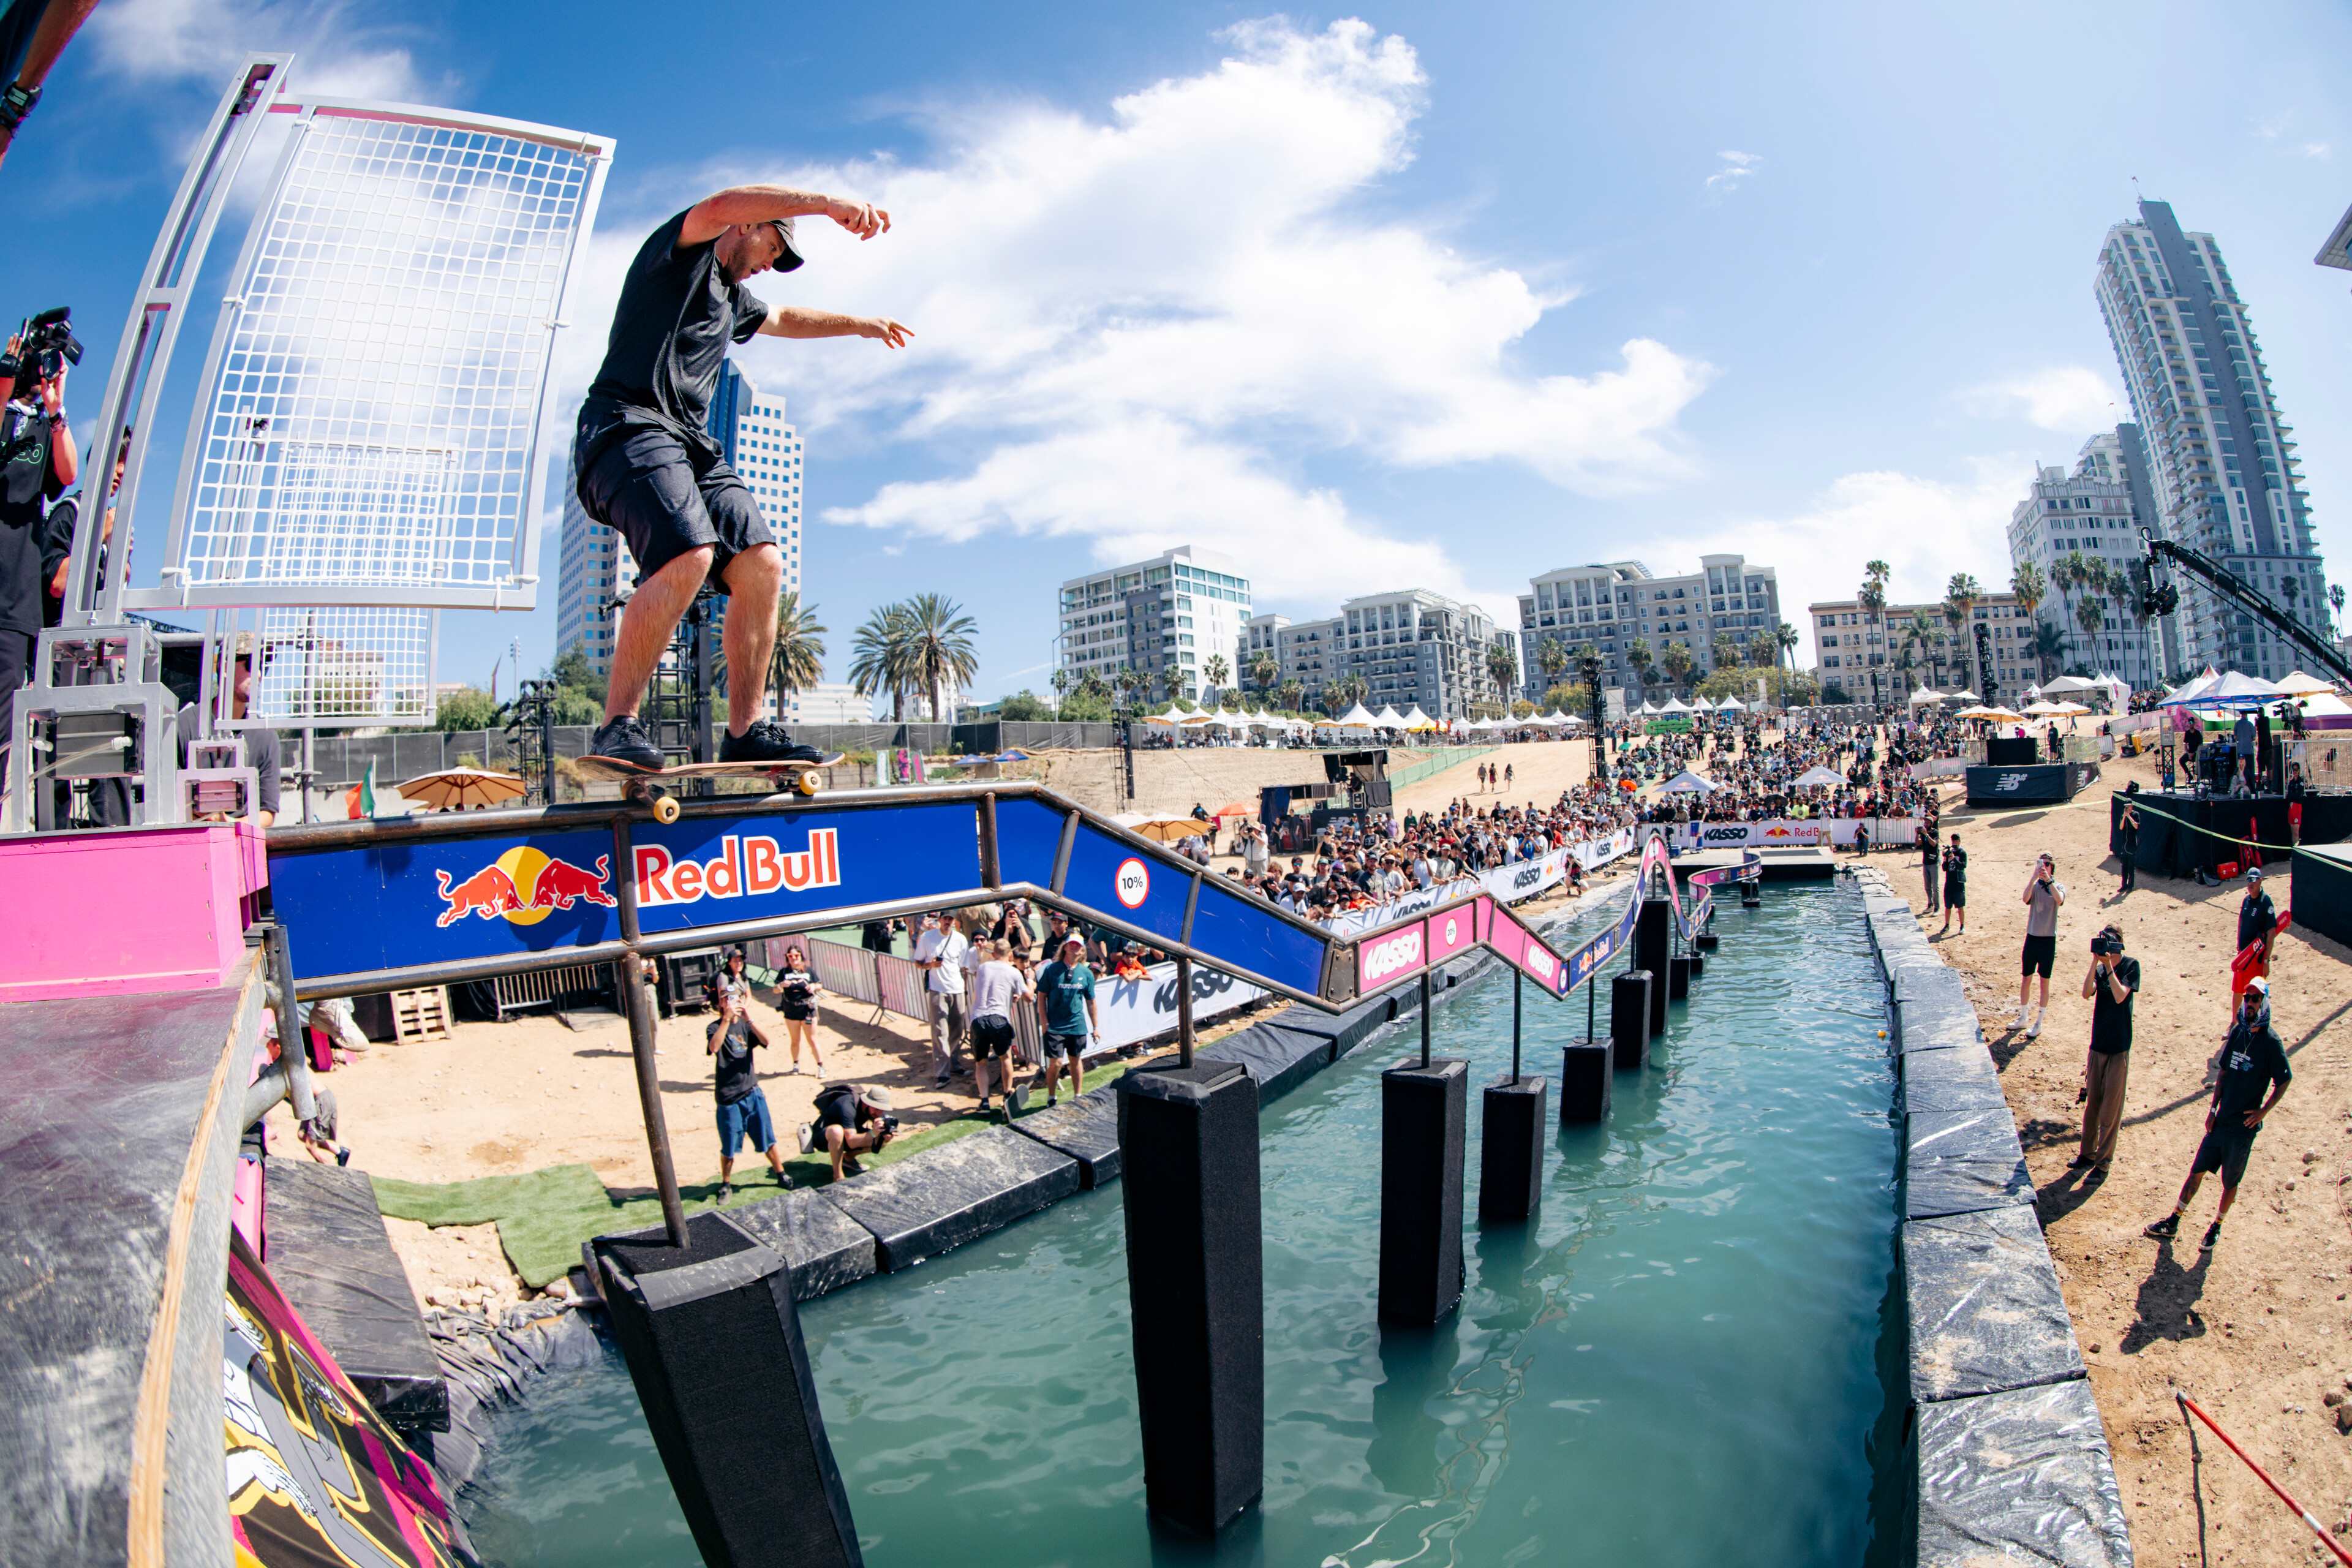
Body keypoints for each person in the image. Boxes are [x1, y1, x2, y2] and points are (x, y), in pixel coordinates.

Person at [573, 184, 908, 772]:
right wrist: (828, 206)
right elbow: (720, 205)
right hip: (625, 427)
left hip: (691, 445)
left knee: (762, 564)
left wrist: (862, 324)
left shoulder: (734, 299)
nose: (770, 264)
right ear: (750, 225)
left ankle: (747, 730)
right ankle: (616, 725)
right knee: (690, 554)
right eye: (772, 248)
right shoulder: (680, 255)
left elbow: (786, 318)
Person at [2143, 977, 2291, 1251]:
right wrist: (2213, 1109)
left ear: (2265, 1002)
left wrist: (2263, 1112)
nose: (2249, 1003)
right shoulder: (2238, 1032)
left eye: (2255, 999)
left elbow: (2284, 1079)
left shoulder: (2271, 1042)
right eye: (2247, 998)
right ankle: (2174, 1220)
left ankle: (2217, 1225)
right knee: (2197, 1170)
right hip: (2221, 1121)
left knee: (2230, 1182)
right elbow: (2222, 1073)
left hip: (2243, 1129)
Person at [0, 325, 74, 785]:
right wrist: (3, 383)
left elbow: (67, 473)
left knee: (2, 721)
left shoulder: (45, 425)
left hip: (14, 599)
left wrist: (56, 409)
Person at [2069, 924, 2139, 1175]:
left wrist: (2109, 966)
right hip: (2098, 1045)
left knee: (2111, 1109)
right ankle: (2087, 1154)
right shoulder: (2100, 968)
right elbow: (2086, 993)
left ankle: (2103, 1163)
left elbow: (2121, 996)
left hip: (2118, 1048)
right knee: (2093, 1106)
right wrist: (2095, 963)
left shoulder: (2131, 966)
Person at [706, 991, 786, 1199]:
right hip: (729, 1099)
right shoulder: (714, 1027)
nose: (731, 1001)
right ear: (720, 1003)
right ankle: (726, 1184)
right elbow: (714, 1047)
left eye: (734, 997)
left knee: (768, 1138)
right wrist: (726, 1020)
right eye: (726, 998)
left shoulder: (745, 1026)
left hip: (752, 1093)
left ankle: (781, 1174)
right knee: (729, 1147)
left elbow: (767, 1041)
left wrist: (749, 1019)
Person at [1032, 936, 1099, 1107]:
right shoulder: (1052, 970)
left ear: (1082, 950)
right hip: (1055, 1026)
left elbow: (1091, 1002)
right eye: (1071, 944)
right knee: (1056, 1063)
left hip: (1077, 1025)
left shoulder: (1086, 974)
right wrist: (1044, 1022)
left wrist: (1096, 1027)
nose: (1074, 948)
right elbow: (1041, 996)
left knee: (1076, 1060)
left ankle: (1078, 1095)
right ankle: (1051, 1097)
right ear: (1065, 947)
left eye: (1078, 945)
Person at [968, 939, 1030, 1117]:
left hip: (979, 1019)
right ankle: (1007, 1094)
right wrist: (1030, 981)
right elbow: (1029, 997)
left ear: (994, 954)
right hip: (999, 1019)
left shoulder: (983, 968)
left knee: (981, 1063)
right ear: (1010, 955)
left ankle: (985, 1101)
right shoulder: (1014, 972)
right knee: (1006, 1058)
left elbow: (992, 986)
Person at [911, 911, 971, 1085]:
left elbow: (964, 966)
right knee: (940, 1032)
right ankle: (942, 1072)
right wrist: (931, 965)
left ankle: (953, 1063)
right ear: (940, 920)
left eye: (950, 919)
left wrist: (964, 988)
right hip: (938, 990)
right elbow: (918, 962)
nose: (947, 922)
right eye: (945, 919)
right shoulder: (928, 938)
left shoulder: (960, 940)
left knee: (957, 1030)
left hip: (957, 989)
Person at [797, 1082, 898, 1183]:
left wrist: (886, 1134)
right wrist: (873, 1133)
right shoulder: (847, 1105)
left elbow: (871, 1135)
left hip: (848, 1134)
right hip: (824, 1138)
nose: (879, 1113)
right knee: (837, 1131)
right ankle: (838, 1176)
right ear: (867, 1103)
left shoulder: (873, 1110)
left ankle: (848, 1159)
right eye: (876, 1108)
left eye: (882, 1109)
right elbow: (852, 1142)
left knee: (881, 1139)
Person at [2011, 853, 2066, 1038]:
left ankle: (2039, 1022)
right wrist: (2034, 877)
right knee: (2026, 978)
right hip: (2032, 938)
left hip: (2048, 940)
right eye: (2042, 863)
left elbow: (2060, 900)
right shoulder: (2035, 886)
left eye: (2048, 864)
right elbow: (2025, 898)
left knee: (2044, 981)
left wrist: (2049, 881)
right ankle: (2023, 1017)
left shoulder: (2058, 886)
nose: (2044, 867)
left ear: (2053, 867)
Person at [775, 945, 826, 1074]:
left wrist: (814, 986)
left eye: (796, 955)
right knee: (795, 1040)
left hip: (807, 1009)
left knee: (812, 1039)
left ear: (801, 956)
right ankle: (796, 1065)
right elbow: (775, 990)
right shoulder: (784, 972)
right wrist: (781, 985)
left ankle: (821, 1067)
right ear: (787, 957)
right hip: (791, 1010)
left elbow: (820, 985)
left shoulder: (808, 970)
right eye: (790, 956)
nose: (794, 958)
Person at [1936, 833, 1967, 938]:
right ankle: (1947, 925)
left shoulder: (1962, 853)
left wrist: (1953, 858)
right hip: (1949, 883)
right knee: (1948, 906)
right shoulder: (1949, 853)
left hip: (1958, 883)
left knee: (1960, 907)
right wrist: (1946, 858)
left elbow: (1963, 866)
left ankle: (1962, 926)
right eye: (1953, 841)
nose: (1954, 842)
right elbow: (1944, 868)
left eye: (1956, 840)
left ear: (1959, 841)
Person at [2114, 787, 2139, 895]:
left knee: (2131, 867)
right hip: (2124, 844)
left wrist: (2129, 816)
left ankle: (2130, 886)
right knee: (2124, 866)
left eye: (2128, 807)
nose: (2127, 808)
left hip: (2132, 844)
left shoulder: (2136, 814)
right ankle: (2124, 885)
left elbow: (2136, 826)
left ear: (2131, 806)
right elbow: (2121, 827)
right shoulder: (2123, 816)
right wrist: (2124, 817)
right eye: (2126, 807)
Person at [1919, 816, 1940, 914]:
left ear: (1931, 824)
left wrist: (1926, 835)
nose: (1925, 824)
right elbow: (1918, 843)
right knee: (1927, 886)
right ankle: (1930, 904)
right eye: (1925, 823)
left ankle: (1937, 907)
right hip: (1926, 862)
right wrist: (1917, 834)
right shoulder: (1923, 833)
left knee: (1935, 887)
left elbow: (1934, 844)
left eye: (1927, 823)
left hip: (1934, 862)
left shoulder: (1935, 832)